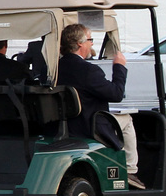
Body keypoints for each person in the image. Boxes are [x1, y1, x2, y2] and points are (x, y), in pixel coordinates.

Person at [55, 23, 138, 182]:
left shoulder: (53, 68)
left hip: (61, 124)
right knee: (127, 120)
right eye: (90, 40)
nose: (92, 44)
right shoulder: (88, 70)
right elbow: (116, 94)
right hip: (87, 125)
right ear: (80, 43)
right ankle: (129, 169)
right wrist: (119, 67)